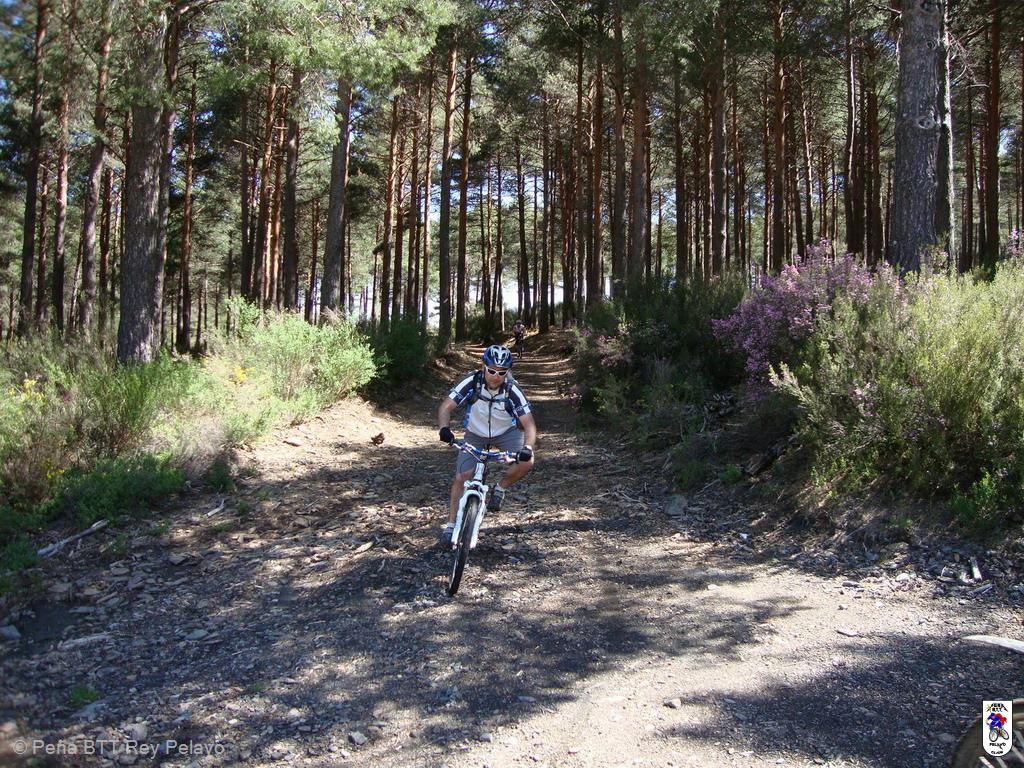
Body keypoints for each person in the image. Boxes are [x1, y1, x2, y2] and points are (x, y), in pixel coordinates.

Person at [436, 345, 537, 546]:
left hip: (506, 433)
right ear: (483, 366)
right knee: (462, 477)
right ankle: (451, 524)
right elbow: (446, 407)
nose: (496, 376)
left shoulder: (512, 390)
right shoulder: (472, 382)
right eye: (491, 370)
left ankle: (500, 488)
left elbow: (529, 424)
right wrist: (444, 429)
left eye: (502, 372)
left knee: (527, 461)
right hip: (475, 433)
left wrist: (527, 447)